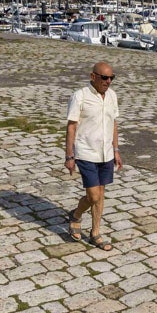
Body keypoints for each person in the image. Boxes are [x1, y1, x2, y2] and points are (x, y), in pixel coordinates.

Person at [64, 62, 121, 250]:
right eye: (104, 78)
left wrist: (116, 150)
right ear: (93, 76)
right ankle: (76, 215)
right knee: (94, 195)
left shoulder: (112, 96)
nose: (108, 82)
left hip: (106, 153)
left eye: (111, 78)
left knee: (101, 194)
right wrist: (69, 156)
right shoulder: (80, 96)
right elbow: (71, 126)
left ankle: (95, 232)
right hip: (86, 152)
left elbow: (113, 123)